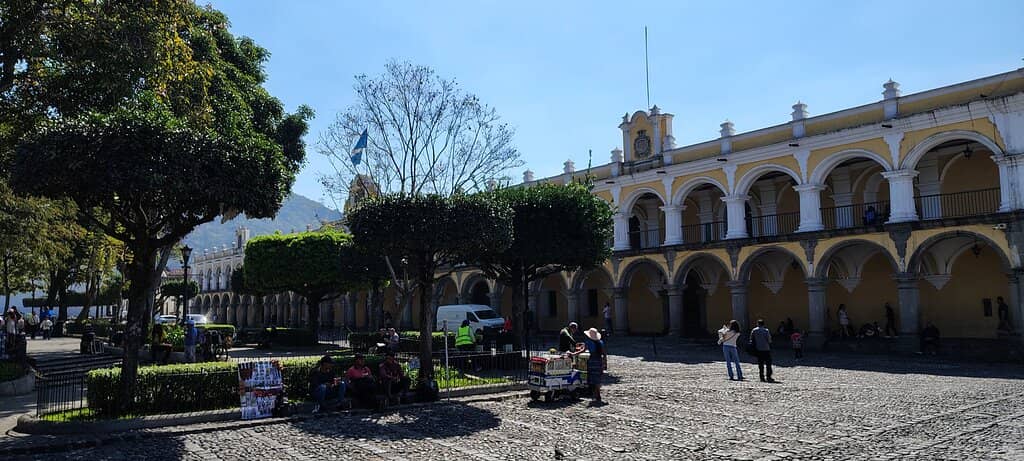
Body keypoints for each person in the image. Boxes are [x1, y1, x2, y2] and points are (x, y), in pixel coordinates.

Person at [582, 328, 607, 403]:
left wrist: (573, 353)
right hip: (599, 361)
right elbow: (604, 354)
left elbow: (583, 350)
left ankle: (596, 395)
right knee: (598, 378)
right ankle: (597, 394)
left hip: (592, 361)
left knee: (593, 379)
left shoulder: (589, 342)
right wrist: (605, 363)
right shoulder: (600, 342)